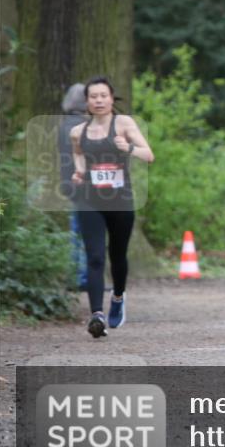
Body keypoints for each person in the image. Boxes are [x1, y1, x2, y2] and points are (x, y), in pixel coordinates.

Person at [69, 76, 154, 338]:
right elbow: (80, 159)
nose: (99, 100)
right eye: (93, 96)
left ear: (111, 98)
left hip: (120, 200)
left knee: (117, 255)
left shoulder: (124, 123)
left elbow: (148, 155)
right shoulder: (77, 132)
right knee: (95, 257)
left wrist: (128, 147)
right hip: (89, 200)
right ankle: (97, 314)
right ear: (87, 101)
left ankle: (117, 297)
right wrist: (79, 173)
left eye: (103, 95)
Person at [58, 83, 89, 290]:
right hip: (85, 184)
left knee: (76, 231)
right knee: (87, 233)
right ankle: (84, 278)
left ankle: (75, 275)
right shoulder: (85, 127)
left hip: (69, 183)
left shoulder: (63, 126)